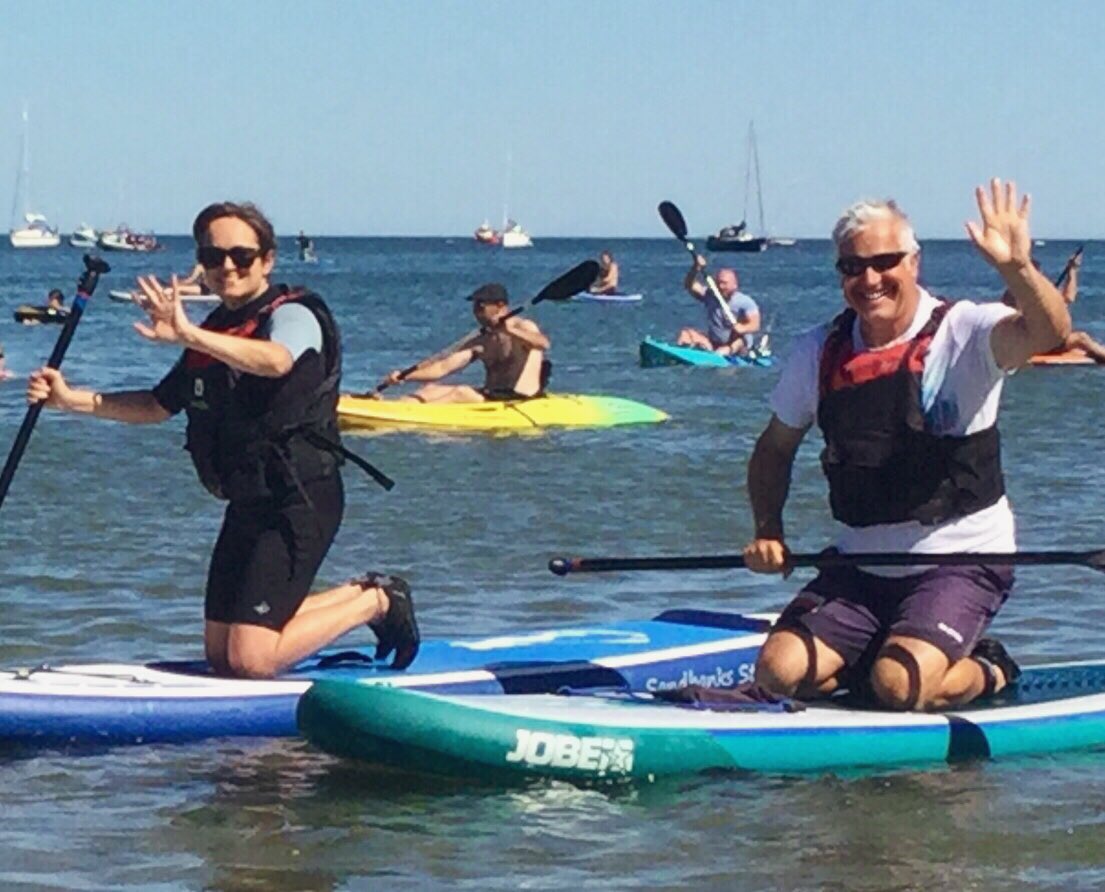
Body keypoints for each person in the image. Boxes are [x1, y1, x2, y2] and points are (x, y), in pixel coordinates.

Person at [26, 201, 418, 679]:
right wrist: (71, 400)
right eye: (213, 256)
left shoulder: (295, 314)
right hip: (248, 498)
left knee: (251, 660)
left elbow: (276, 360)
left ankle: (378, 600)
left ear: (267, 261)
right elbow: (157, 405)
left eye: (241, 255)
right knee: (220, 653)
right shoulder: (214, 329)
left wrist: (189, 334)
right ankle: (363, 592)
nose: (227, 266)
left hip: (300, 497)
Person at [744, 179, 1071, 712]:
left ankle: (989, 667)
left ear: (914, 263)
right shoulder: (818, 351)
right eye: (853, 267)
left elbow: (1049, 333)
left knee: (898, 687)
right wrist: (767, 529)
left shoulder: (965, 332)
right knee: (776, 675)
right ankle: (881, 654)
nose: (870, 279)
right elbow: (774, 449)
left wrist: (1017, 269)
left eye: (884, 262)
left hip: (962, 561)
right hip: (859, 568)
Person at [379, 283, 550, 403]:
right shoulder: (481, 340)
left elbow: (543, 344)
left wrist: (509, 330)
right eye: (474, 307)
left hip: (519, 397)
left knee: (461, 392)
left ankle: (415, 416)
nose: (476, 312)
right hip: (491, 396)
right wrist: (404, 376)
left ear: (501, 306)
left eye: (481, 306)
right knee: (430, 389)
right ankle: (395, 407)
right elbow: (442, 368)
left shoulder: (523, 326)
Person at [1009, 249, 1105, 363]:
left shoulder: (1038, 291)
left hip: (1039, 341)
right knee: (1081, 338)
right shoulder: (1015, 294)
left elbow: (1068, 298)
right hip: (1034, 344)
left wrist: (1072, 270)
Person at [678, 255, 761, 355]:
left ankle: (721, 355)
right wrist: (695, 269)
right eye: (718, 283)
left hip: (738, 344)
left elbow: (755, 325)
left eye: (724, 283)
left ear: (734, 285)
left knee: (733, 345)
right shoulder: (710, 295)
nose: (721, 286)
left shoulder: (745, 302)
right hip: (715, 342)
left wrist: (742, 328)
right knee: (686, 335)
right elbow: (689, 285)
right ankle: (680, 357)